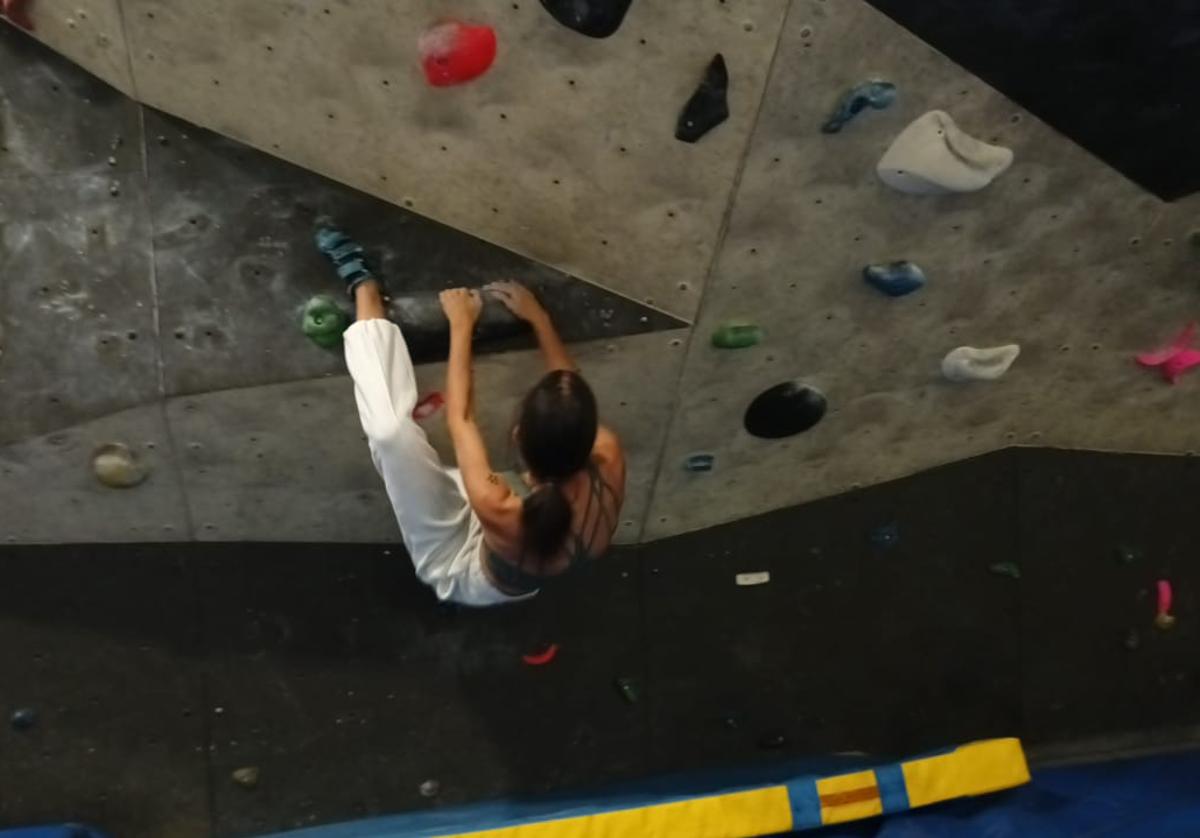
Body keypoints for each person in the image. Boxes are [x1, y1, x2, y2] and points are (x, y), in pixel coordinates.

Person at [316, 227, 626, 606]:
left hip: (461, 566)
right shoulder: (607, 454)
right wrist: (539, 319)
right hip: (519, 535)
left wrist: (461, 324)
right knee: (425, 464)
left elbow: (461, 417)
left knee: (390, 435)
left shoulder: (498, 503)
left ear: (518, 440)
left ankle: (364, 287)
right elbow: (568, 385)